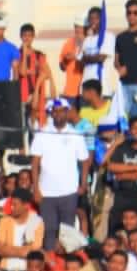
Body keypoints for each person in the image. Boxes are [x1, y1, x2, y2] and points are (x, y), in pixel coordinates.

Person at [31, 99, 89, 249]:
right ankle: (50, 264)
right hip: (46, 193)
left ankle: (66, 265)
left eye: (62, 110)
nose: (58, 114)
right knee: (49, 230)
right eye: (55, 111)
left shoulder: (76, 134)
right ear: (51, 113)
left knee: (67, 231)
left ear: (67, 112)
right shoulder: (42, 133)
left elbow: (84, 161)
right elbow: (35, 163)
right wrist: (36, 189)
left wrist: (83, 184)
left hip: (69, 191)